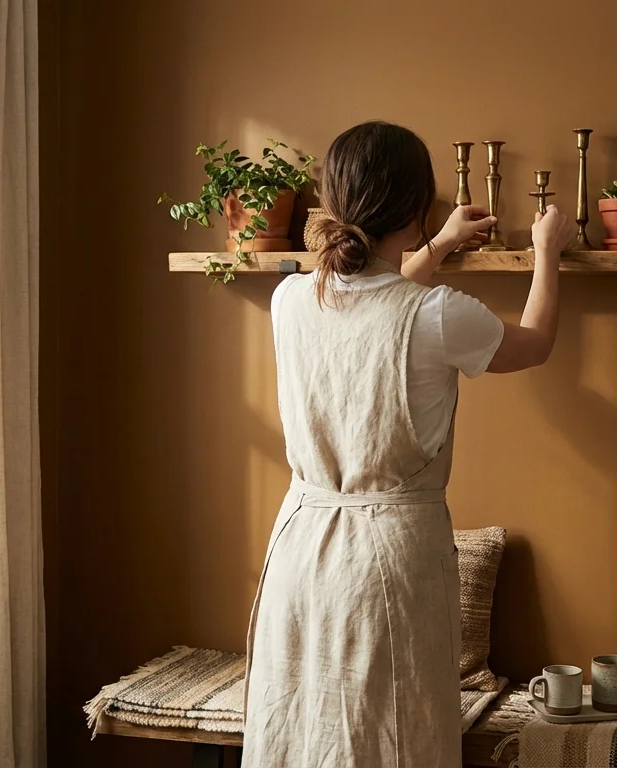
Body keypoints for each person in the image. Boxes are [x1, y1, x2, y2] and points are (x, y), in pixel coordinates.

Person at [244, 120, 577, 767]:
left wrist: (441, 245)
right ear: (417, 207)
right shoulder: (439, 316)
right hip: (384, 567)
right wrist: (546, 251)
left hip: (301, 552)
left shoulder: (289, 299)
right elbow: (534, 342)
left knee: (304, 733)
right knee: (388, 739)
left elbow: (379, 298)